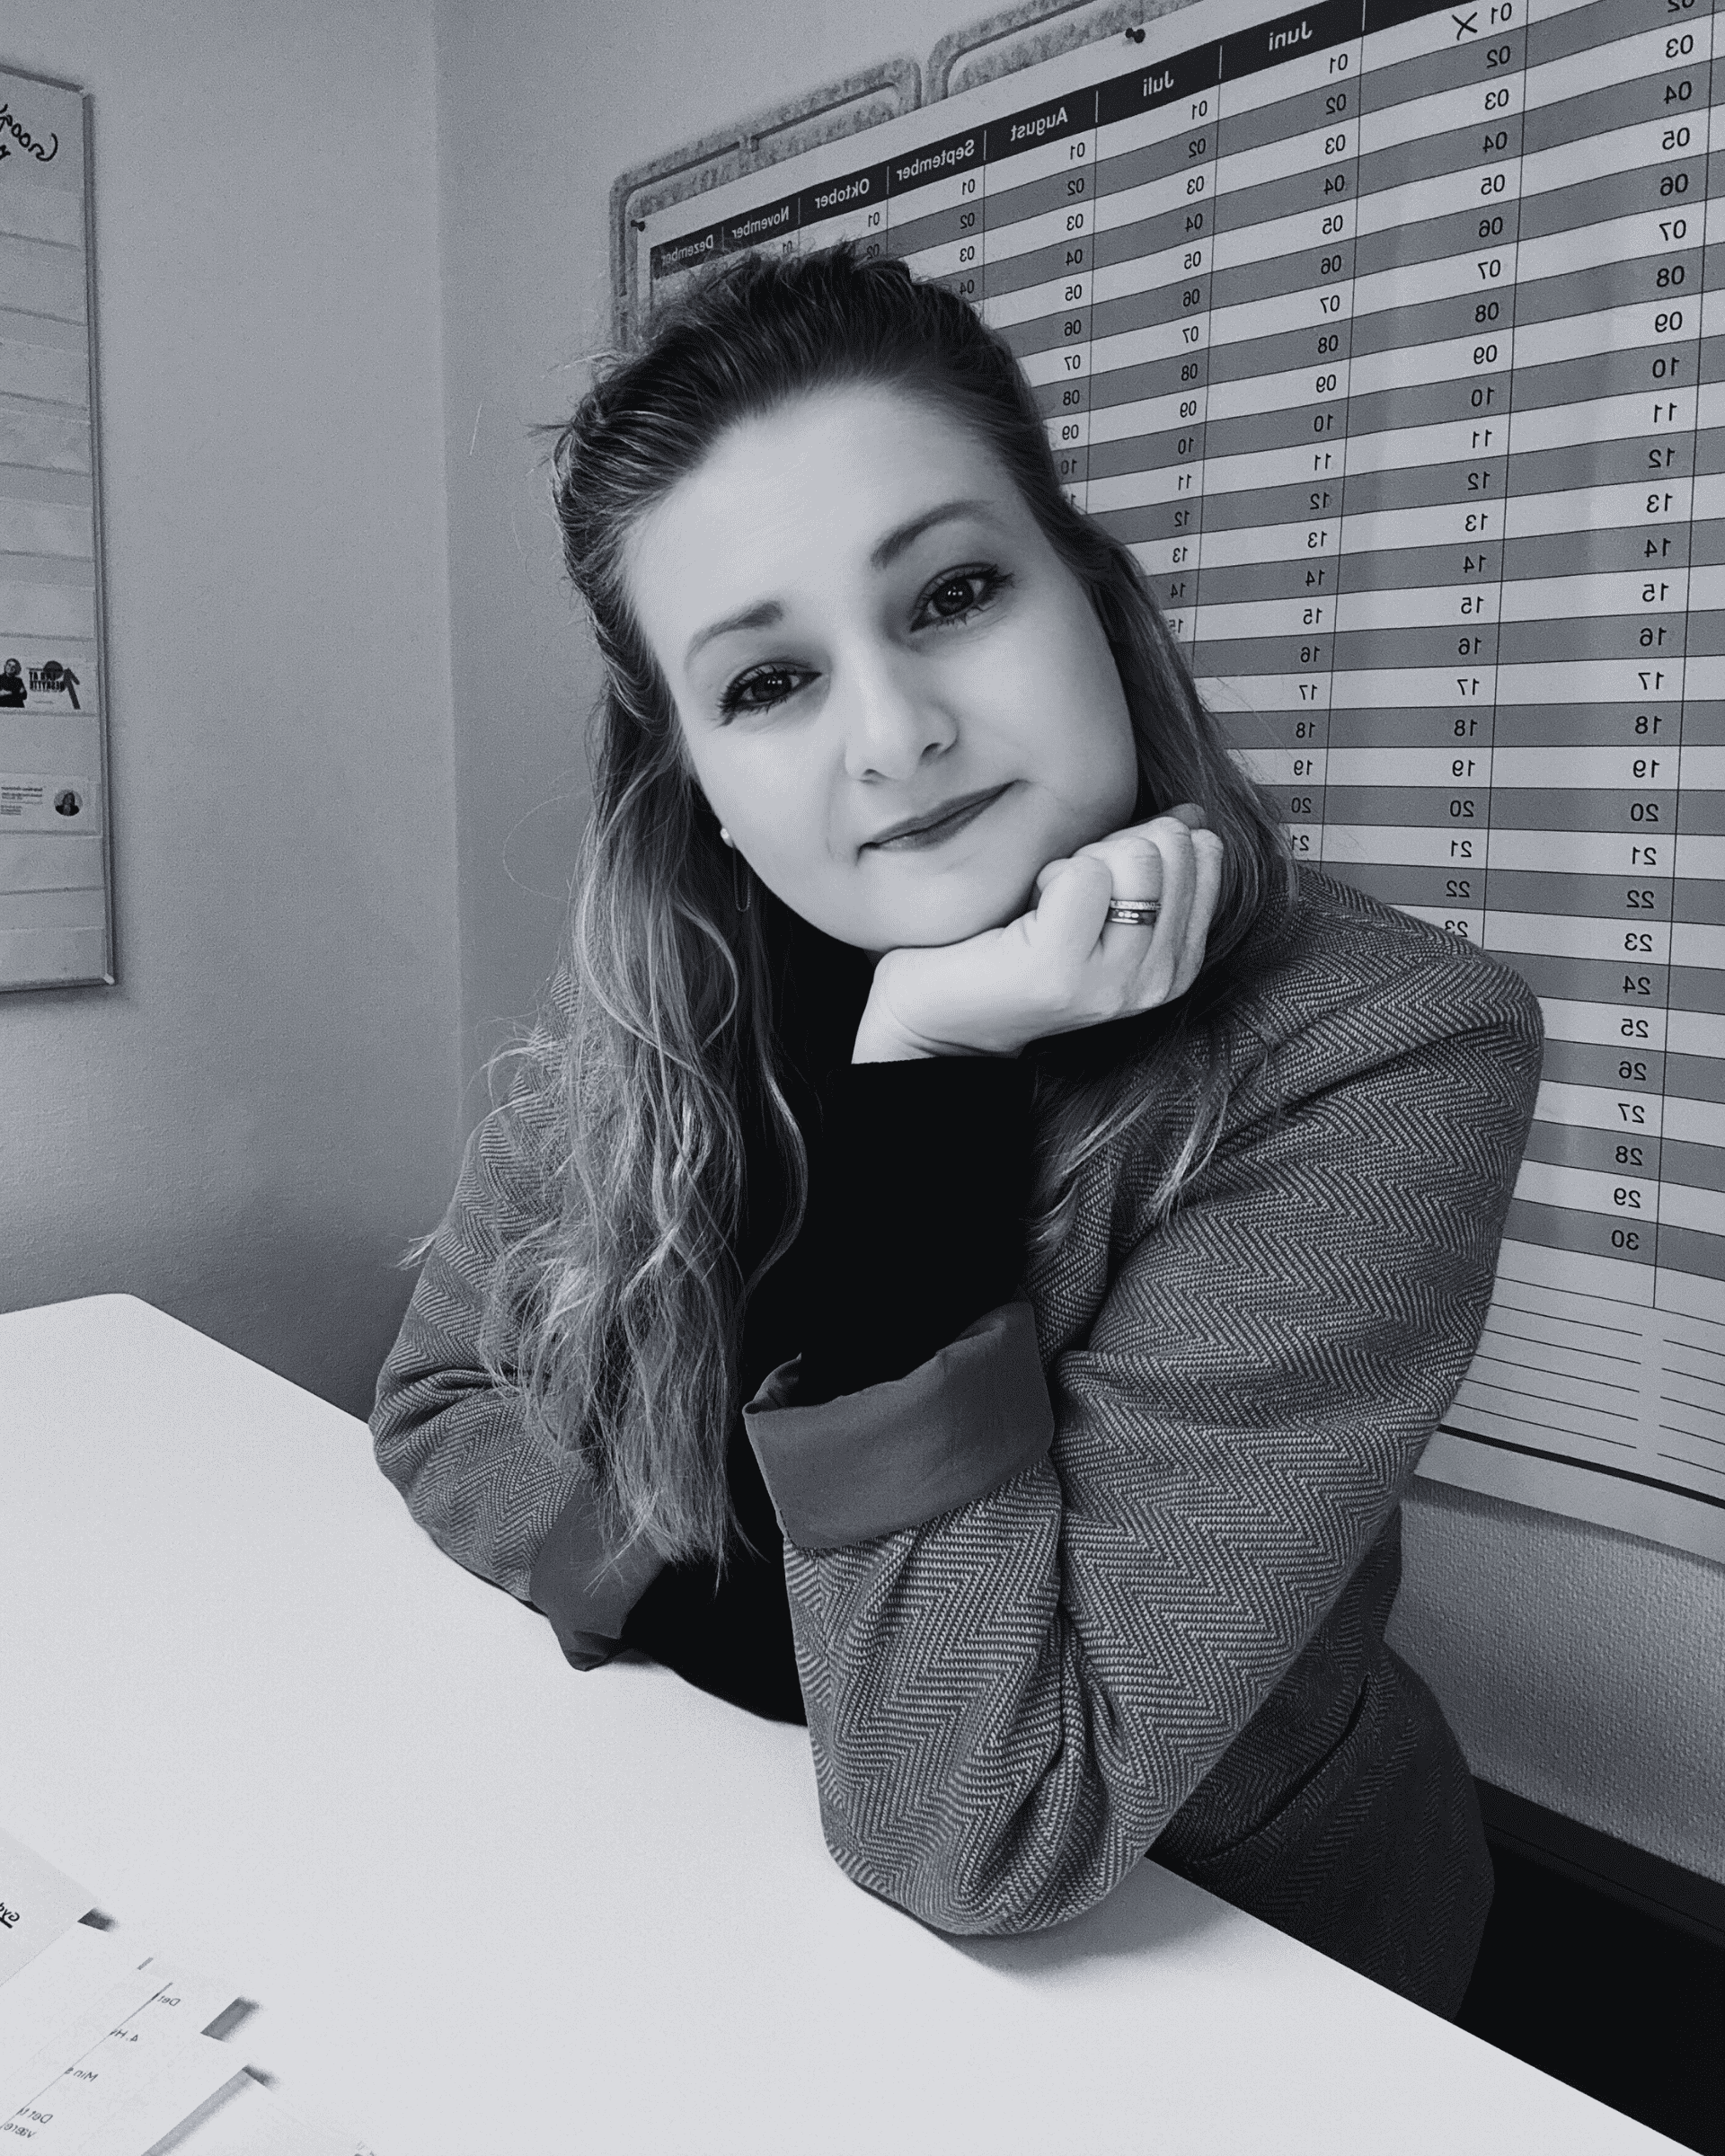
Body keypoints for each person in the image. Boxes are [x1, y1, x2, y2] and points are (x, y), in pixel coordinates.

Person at [370, 243, 1544, 2019]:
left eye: (952, 593)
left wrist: (914, 1074)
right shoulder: (657, 1001)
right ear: (690, 773)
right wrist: (711, 1598)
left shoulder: (1379, 1048)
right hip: (730, 1869)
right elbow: (441, 1403)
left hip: (1230, 1962)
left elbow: (986, 1819)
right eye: (768, 684)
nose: (898, 734)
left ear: (1091, 597)